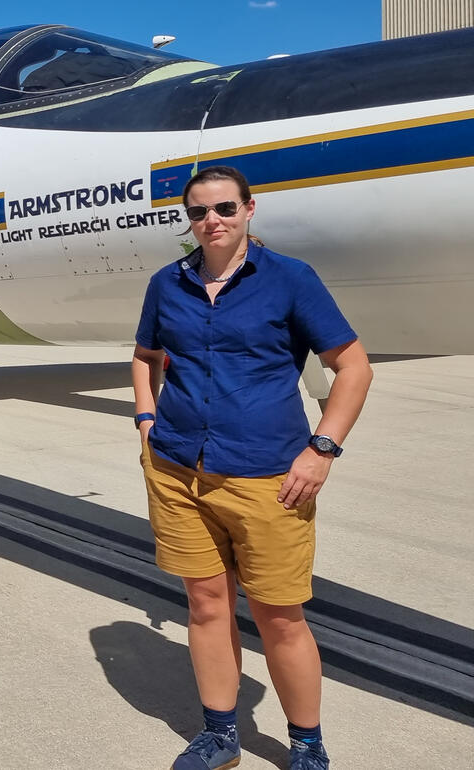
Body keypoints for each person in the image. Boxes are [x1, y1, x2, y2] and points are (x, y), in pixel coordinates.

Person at [131, 165, 372, 770]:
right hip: (178, 468)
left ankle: (307, 745)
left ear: (249, 210)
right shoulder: (168, 282)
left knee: (279, 616)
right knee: (207, 604)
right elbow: (145, 356)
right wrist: (145, 420)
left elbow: (354, 367)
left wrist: (322, 450)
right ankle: (219, 736)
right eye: (198, 212)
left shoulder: (290, 279)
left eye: (224, 209)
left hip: (268, 475)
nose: (211, 221)